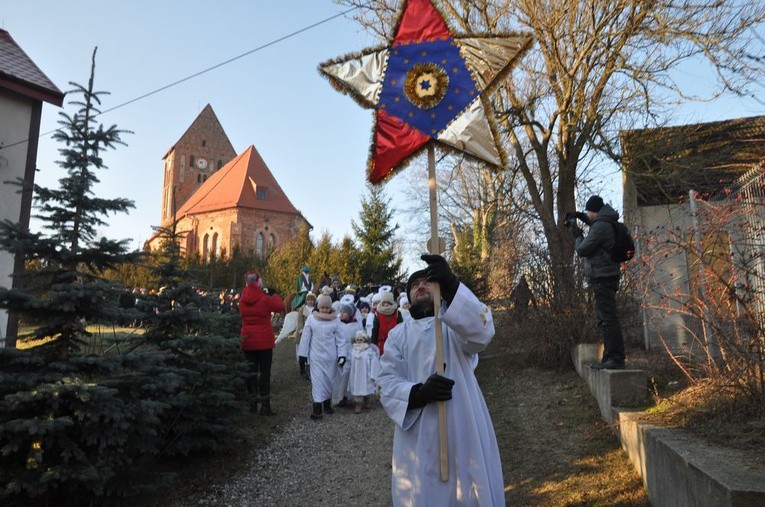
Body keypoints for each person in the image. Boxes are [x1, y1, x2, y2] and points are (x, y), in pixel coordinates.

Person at [377, 254, 503, 505]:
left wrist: (453, 285)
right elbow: (386, 381)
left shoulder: (454, 323)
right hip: (418, 433)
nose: (421, 286)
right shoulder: (398, 335)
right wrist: (418, 392)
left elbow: (482, 332)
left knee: (467, 490)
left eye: (427, 282)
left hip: (462, 424)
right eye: (414, 284)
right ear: (408, 300)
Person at [572, 195, 627, 370]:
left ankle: (616, 359)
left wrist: (577, 234)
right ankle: (610, 357)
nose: (587, 215)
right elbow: (596, 228)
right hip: (607, 275)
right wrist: (582, 217)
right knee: (606, 318)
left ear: (594, 211)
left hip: (603, 276)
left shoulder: (602, 226)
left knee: (608, 319)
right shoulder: (606, 221)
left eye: (588, 212)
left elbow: (582, 249)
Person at [239, 271, 285, 415]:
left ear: (246, 282)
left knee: (250, 373)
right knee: (265, 374)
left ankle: (252, 405)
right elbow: (280, 307)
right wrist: (274, 294)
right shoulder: (265, 299)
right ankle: (265, 406)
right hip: (264, 342)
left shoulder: (241, 300)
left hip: (248, 341)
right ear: (258, 282)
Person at [298, 294, 347, 420]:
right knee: (317, 381)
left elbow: (341, 339)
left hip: (331, 356)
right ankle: (317, 407)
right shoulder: (311, 319)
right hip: (316, 356)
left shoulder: (335, 320)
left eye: (327, 308)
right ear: (318, 307)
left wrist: (342, 355)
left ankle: (327, 403)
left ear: (330, 308)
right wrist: (302, 355)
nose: (324, 310)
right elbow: (306, 337)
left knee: (329, 380)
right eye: (322, 307)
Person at [332, 302, 364, 407]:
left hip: (352, 352)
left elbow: (360, 337)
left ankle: (348, 396)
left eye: (344, 312)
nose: (341, 314)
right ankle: (339, 397)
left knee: (349, 375)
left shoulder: (356, 324)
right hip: (340, 351)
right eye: (340, 312)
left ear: (350, 314)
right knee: (339, 376)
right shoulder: (337, 323)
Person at [348, 330, 381, 414]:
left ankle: (368, 401)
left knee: (368, 387)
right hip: (355, 375)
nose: (359, 342)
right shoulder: (352, 351)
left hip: (366, 374)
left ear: (365, 340)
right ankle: (358, 403)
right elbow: (348, 363)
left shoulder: (369, 351)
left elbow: (374, 363)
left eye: (361, 340)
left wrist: (373, 374)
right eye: (357, 340)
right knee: (357, 388)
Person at [371, 291, 403, 355]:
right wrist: (373, 344)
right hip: (381, 343)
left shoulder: (397, 313)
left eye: (388, 302)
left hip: (395, 342)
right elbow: (375, 329)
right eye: (384, 302)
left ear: (391, 303)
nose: (386, 304)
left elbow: (401, 327)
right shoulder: (378, 313)